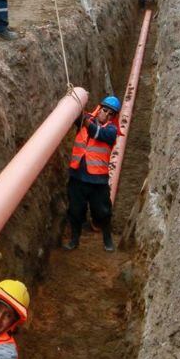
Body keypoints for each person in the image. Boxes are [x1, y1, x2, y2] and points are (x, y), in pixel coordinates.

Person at [65, 95, 120, 251]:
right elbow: (74, 116)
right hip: (77, 176)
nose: (107, 115)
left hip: (98, 182)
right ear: (99, 108)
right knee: (75, 211)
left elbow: (96, 132)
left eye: (111, 113)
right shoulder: (86, 119)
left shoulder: (111, 130)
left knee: (102, 212)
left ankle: (107, 239)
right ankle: (74, 240)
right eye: (105, 111)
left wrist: (84, 119)